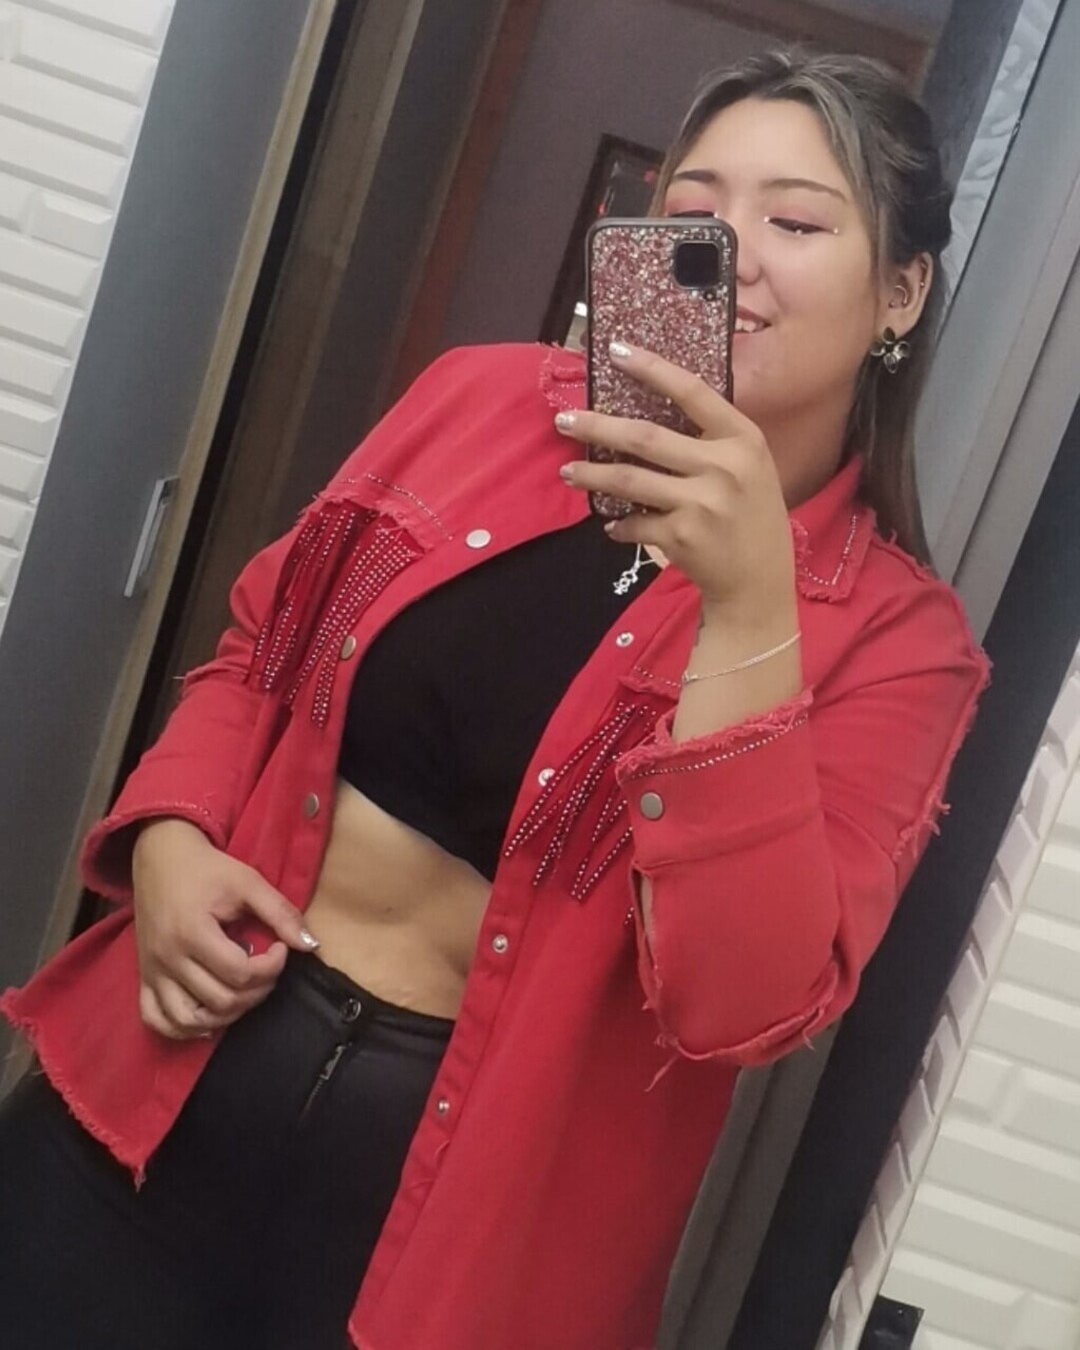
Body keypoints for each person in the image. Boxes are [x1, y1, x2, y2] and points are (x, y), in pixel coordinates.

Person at [0, 46, 989, 1350]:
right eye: (694, 211)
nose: (728, 255)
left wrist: (751, 610)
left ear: (901, 292)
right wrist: (173, 839)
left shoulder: (902, 644)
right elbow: (257, 651)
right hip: (154, 1088)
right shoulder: (477, 402)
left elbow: (739, 1006)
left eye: (797, 224)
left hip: (457, 1248)